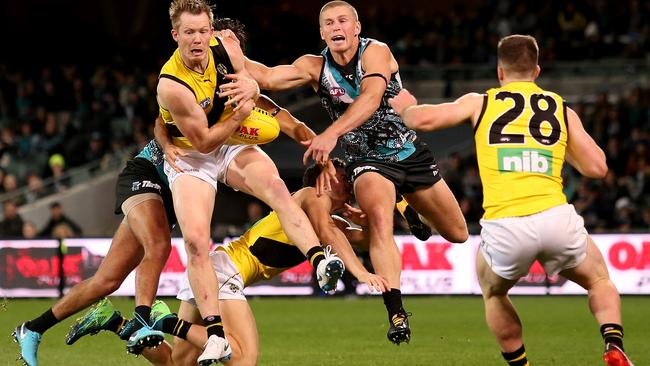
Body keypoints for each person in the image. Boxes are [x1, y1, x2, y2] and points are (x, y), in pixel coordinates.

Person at [388, 34, 633, 366]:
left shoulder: (482, 102)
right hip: (554, 216)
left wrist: (404, 104)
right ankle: (612, 341)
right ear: (537, 70)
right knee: (599, 279)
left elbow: (422, 120)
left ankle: (521, 364)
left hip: (506, 224)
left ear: (500, 72)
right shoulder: (559, 107)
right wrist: (560, 149)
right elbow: (598, 167)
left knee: (494, 292)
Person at [233, 0, 468, 344]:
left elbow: (372, 97)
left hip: (408, 152)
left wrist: (330, 134)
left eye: (343, 20)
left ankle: (406, 202)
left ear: (357, 28)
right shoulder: (314, 66)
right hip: (365, 160)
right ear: (322, 33)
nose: (336, 27)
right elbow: (266, 76)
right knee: (380, 223)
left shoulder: (376, 52)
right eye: (329, 23)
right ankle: (397, 312)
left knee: (457, 233)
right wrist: (228, 47)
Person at [157, 5, 345, 363]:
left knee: (276, 188)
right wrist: (242, 115)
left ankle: (319, 261)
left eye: (202, 31)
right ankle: (214, 335)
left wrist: (291, 125)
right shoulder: (172, 84)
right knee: (196, 240)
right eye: (189, 33)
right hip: (193, 153)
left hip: (228, 140)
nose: (197, 39)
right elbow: (203, 143)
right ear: (175, 36)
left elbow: (255, 91)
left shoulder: (225, 45)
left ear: (211, 30)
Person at [76, 159, 389, 366]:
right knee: (243, 359)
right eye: (340, 176)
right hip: (224, 273)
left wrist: (375, 217)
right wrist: (361, 273)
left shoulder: (332, 222)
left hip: (212, 270)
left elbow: (372, 237)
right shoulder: (308, 196)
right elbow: (328, 232)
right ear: (323, 180)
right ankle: (162, 321)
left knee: (177, 363)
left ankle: (112, 320)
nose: (347, 183)